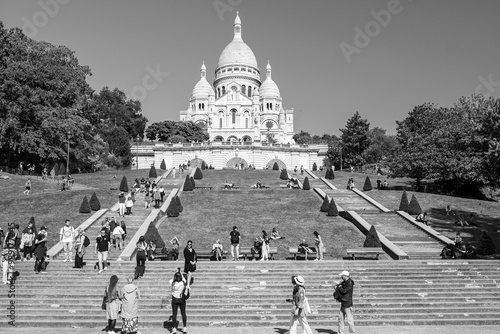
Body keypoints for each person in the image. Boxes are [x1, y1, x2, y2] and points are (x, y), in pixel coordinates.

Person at [170, 269, 188, 334]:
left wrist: (176, 273)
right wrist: (180, 273)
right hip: (181, 299)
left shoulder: (173, 283)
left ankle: (174, 328)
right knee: (183, 313)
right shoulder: (182, 283)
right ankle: (184, 327)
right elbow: (184, 279)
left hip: (174, 299)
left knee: (174, 314)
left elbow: (172, 279)